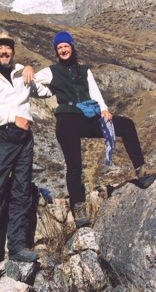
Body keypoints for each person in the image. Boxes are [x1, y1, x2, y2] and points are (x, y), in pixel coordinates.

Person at [27, 31, 154, 228]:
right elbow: (32, 82)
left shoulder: (84, 70)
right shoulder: (52, 71)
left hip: (88, 116)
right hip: (67, 119)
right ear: (56, 51)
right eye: (59, 47)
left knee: (126, 125)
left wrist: (104, 110)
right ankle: (79, 209)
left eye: (65, 46)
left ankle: (142, 171)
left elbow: (94, 91)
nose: (63, 49)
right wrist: (26, 69)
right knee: (75, 165)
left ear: (72, 47)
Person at [0, 32, 51, 266]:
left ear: (13, 51)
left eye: (8, 47)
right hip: (2, 136)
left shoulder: (22, 74)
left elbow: (47, 90)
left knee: (21, 191)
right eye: (0, 48)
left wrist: (32, 69)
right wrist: (12, 117)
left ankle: (17, 246)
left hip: (25, 139)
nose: (4, 51)